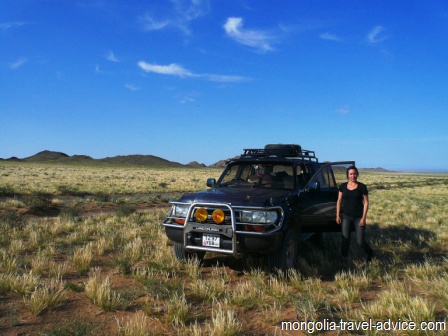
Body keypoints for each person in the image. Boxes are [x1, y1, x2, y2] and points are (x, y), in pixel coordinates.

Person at [336, 166, 373, 262]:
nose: (353, 176)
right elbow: (339, 201)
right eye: (351, 174)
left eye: (354, 173)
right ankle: (343, 258)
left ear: (357, 174)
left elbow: (366, 203)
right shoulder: (343, 186)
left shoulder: (362, 187)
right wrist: (338, 215)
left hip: (358, 217)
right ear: (348, 175)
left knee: (360, 241)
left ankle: (369, 253)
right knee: (345, 239)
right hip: (346, 217)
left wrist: (363, 218)